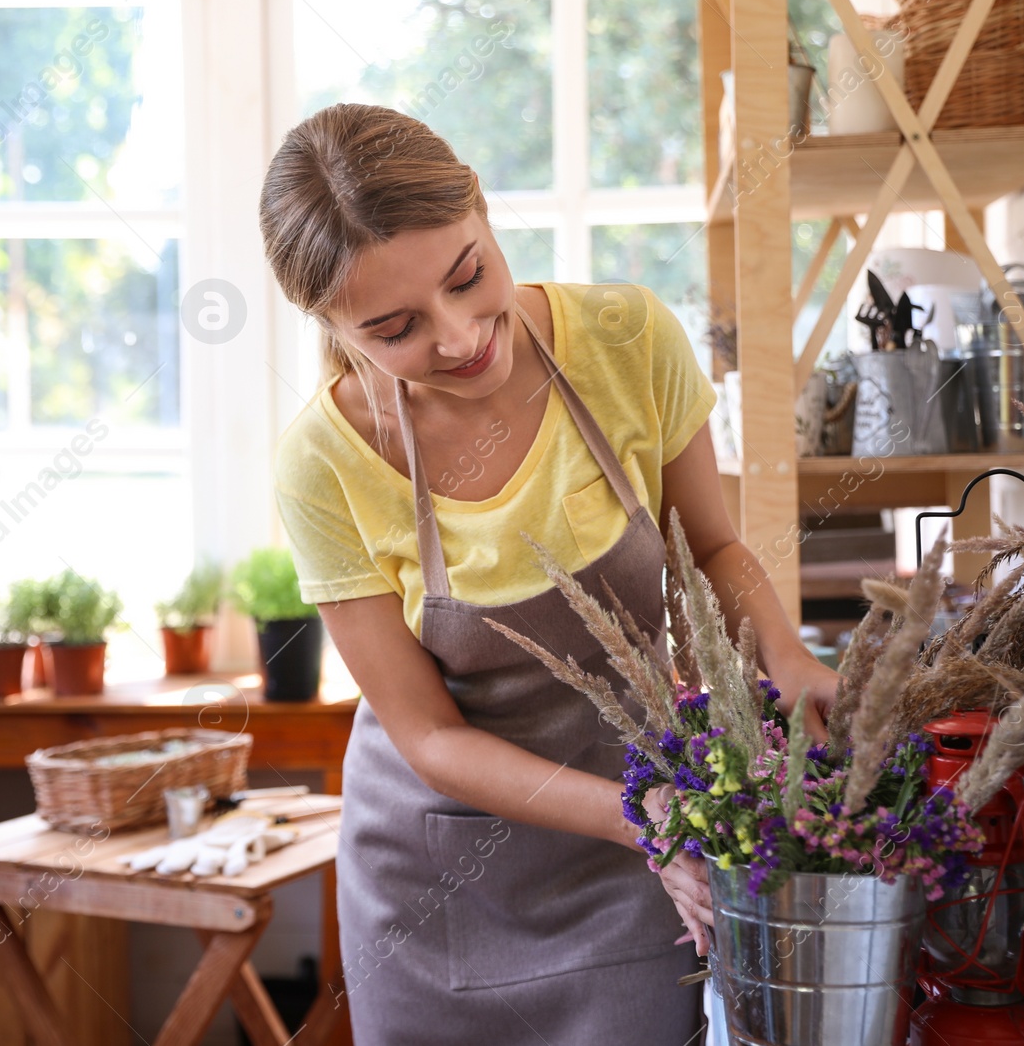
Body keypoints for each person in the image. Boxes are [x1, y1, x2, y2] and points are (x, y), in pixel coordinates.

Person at [261, 103, 839, 1044]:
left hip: (634, 862)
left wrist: (787, 655)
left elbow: (714, 554)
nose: (458, 338)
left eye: (468, 275)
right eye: (397, 327)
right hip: (435, 882)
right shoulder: (322, 463)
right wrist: (635, 811)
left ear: (483, 212)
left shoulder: (628, 340)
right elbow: (430, 735)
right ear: (330, 322)